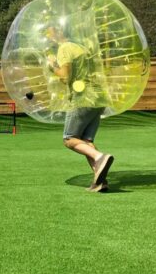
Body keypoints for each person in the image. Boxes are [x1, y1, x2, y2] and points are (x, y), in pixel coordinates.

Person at [44, 26, 114, 192]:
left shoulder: (64, 48)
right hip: (98, 98)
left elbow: (65, 76)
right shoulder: (81, 48)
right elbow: (71, 78)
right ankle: (100, 181)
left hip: (83, 98)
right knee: (87, 141)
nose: (49, 35)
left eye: (51, 31)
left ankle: (99, 156)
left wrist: (53, 67)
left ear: (60, 32)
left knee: (69, 139)